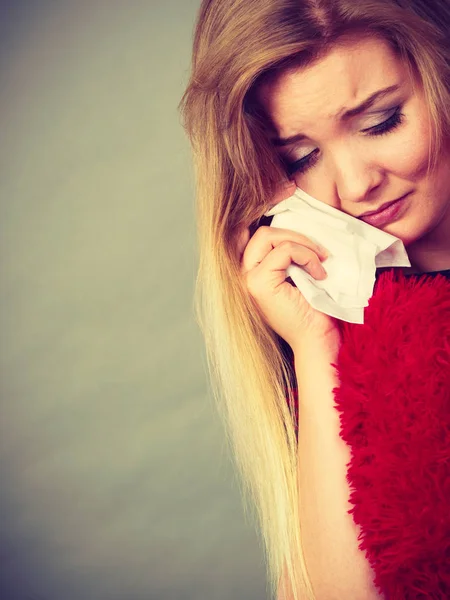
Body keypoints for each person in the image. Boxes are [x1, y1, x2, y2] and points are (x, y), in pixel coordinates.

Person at [179, 1, 450, 599]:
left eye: (381, 122)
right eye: (301, 157)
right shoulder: (341, 320)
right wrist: (314, 345)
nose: (355, 186)